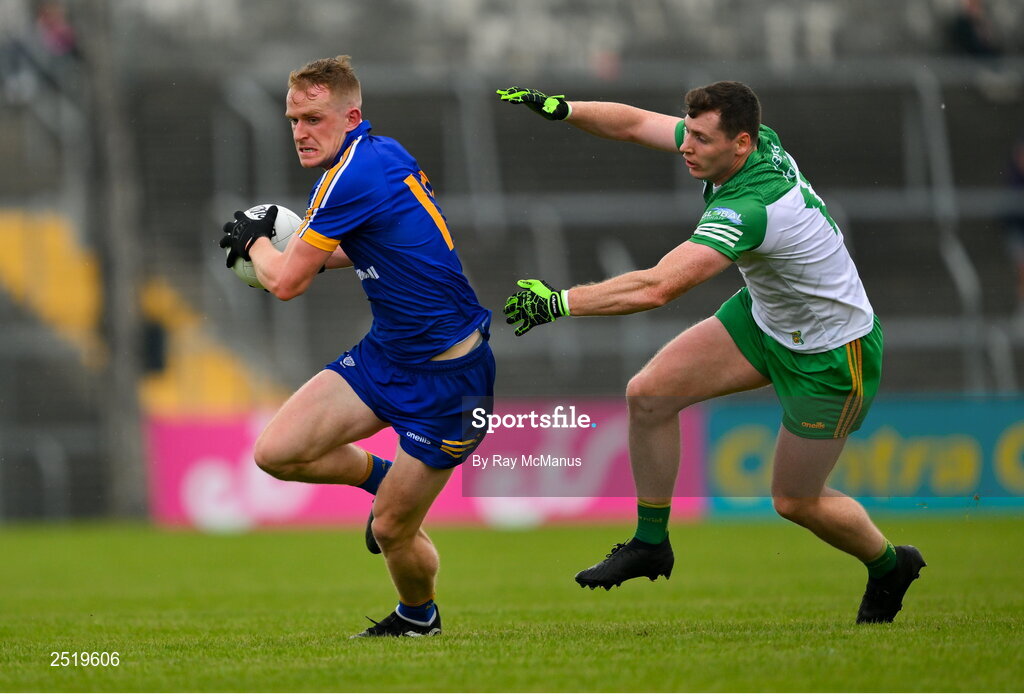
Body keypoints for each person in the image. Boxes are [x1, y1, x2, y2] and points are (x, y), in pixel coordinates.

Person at [496, 83, 925, 624]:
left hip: (831, 351)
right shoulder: (746, 143)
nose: (686, 145)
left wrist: (559, 302)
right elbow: (634, 124)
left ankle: (890, 565)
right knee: (649, 395)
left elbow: (658, 288)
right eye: (689, 131)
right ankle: (651, 542)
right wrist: (566, 110)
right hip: (766, 318)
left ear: (741, 143)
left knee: (795, 501)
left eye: (700, 138)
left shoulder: (751, 206)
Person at [219, 55, 495, 638]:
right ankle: (383, 477)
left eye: (313, 118)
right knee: (277, 452)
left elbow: (285, 284)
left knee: (392, 531)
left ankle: (418, 617)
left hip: (451, 380)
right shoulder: (377, 155)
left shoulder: (351, 175)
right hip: (386, 356)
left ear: (351, 116)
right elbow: (373, 243)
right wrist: (295, 255)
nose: (300, 132)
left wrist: (257, 242)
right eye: (294, 120)